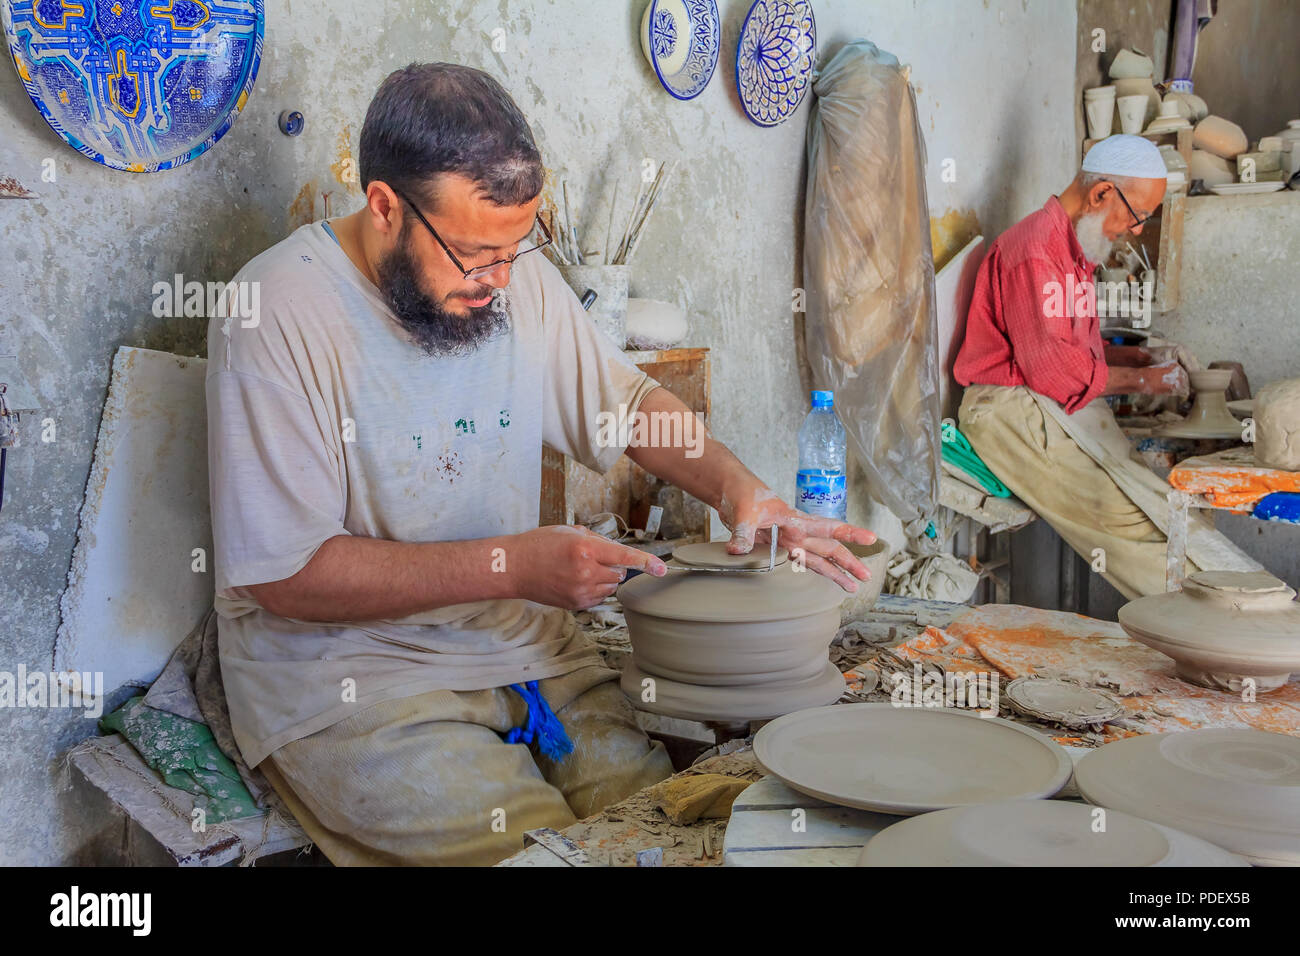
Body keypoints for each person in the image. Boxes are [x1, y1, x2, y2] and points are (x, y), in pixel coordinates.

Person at [205, 62, 875, 866]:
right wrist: (511, 565)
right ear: (384, 206)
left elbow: (626, 406)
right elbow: (284, 574)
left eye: (515, 251)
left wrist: (743, 490)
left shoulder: (513, 284)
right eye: (474, 255)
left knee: (673, 833)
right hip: (354, 679)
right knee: (539, 857)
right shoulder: (277, 311)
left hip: (525, 649)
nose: (500, 280)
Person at [955, 134, 1198, 599]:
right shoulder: (1034, 250)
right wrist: (1151, 380)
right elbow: (1053, 370)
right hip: (1007, 411)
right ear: (1102, 193)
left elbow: (1072, 351)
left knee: (1164, 501)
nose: (1136, 230)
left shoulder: (1073, 250)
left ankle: (1215, 614)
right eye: (1137, 215)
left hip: (1045, 402)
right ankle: (1201, 630)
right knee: (1129, 516)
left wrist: (1140, 357)